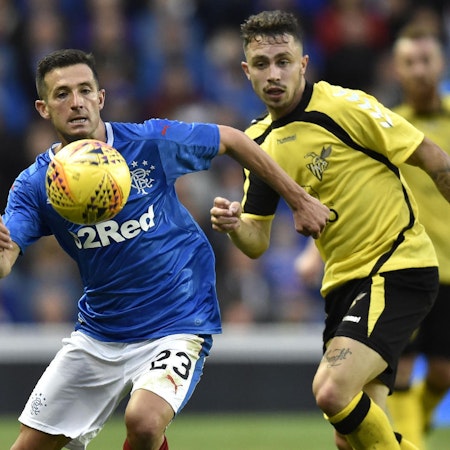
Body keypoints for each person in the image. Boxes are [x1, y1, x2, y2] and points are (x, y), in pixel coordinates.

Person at [0, 48, 329, 450]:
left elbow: (232, 139)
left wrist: (298, 199)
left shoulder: (148, 143)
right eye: (62, 94)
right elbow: (7, 256)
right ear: (43, 108)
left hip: (178, 317)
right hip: (101, 331)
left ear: (100, 98)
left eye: (85, 90)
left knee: (143, 421)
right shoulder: (35, 185)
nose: (76, 102)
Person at [210, 10, 450, 450]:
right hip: (341, 286)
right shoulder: (257, 143)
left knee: (331, 391)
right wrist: (234, 225)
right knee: (350, 437)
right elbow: (257, 241)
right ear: (246, 71)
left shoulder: (345, 106)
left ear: (303, 64)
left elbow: (434, 160)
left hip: (396, 267)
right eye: (262, 64)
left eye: (283, 61)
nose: (273, 74)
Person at [385, 24, 450, 449]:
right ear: (397, 69)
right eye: (410, 62)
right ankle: (411, 443)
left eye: (427, 60)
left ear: (442, 63)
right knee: (402, 369)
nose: (420, 70)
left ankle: (415, 428)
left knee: (443, 373)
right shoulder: (388, 125)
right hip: (405, 266)